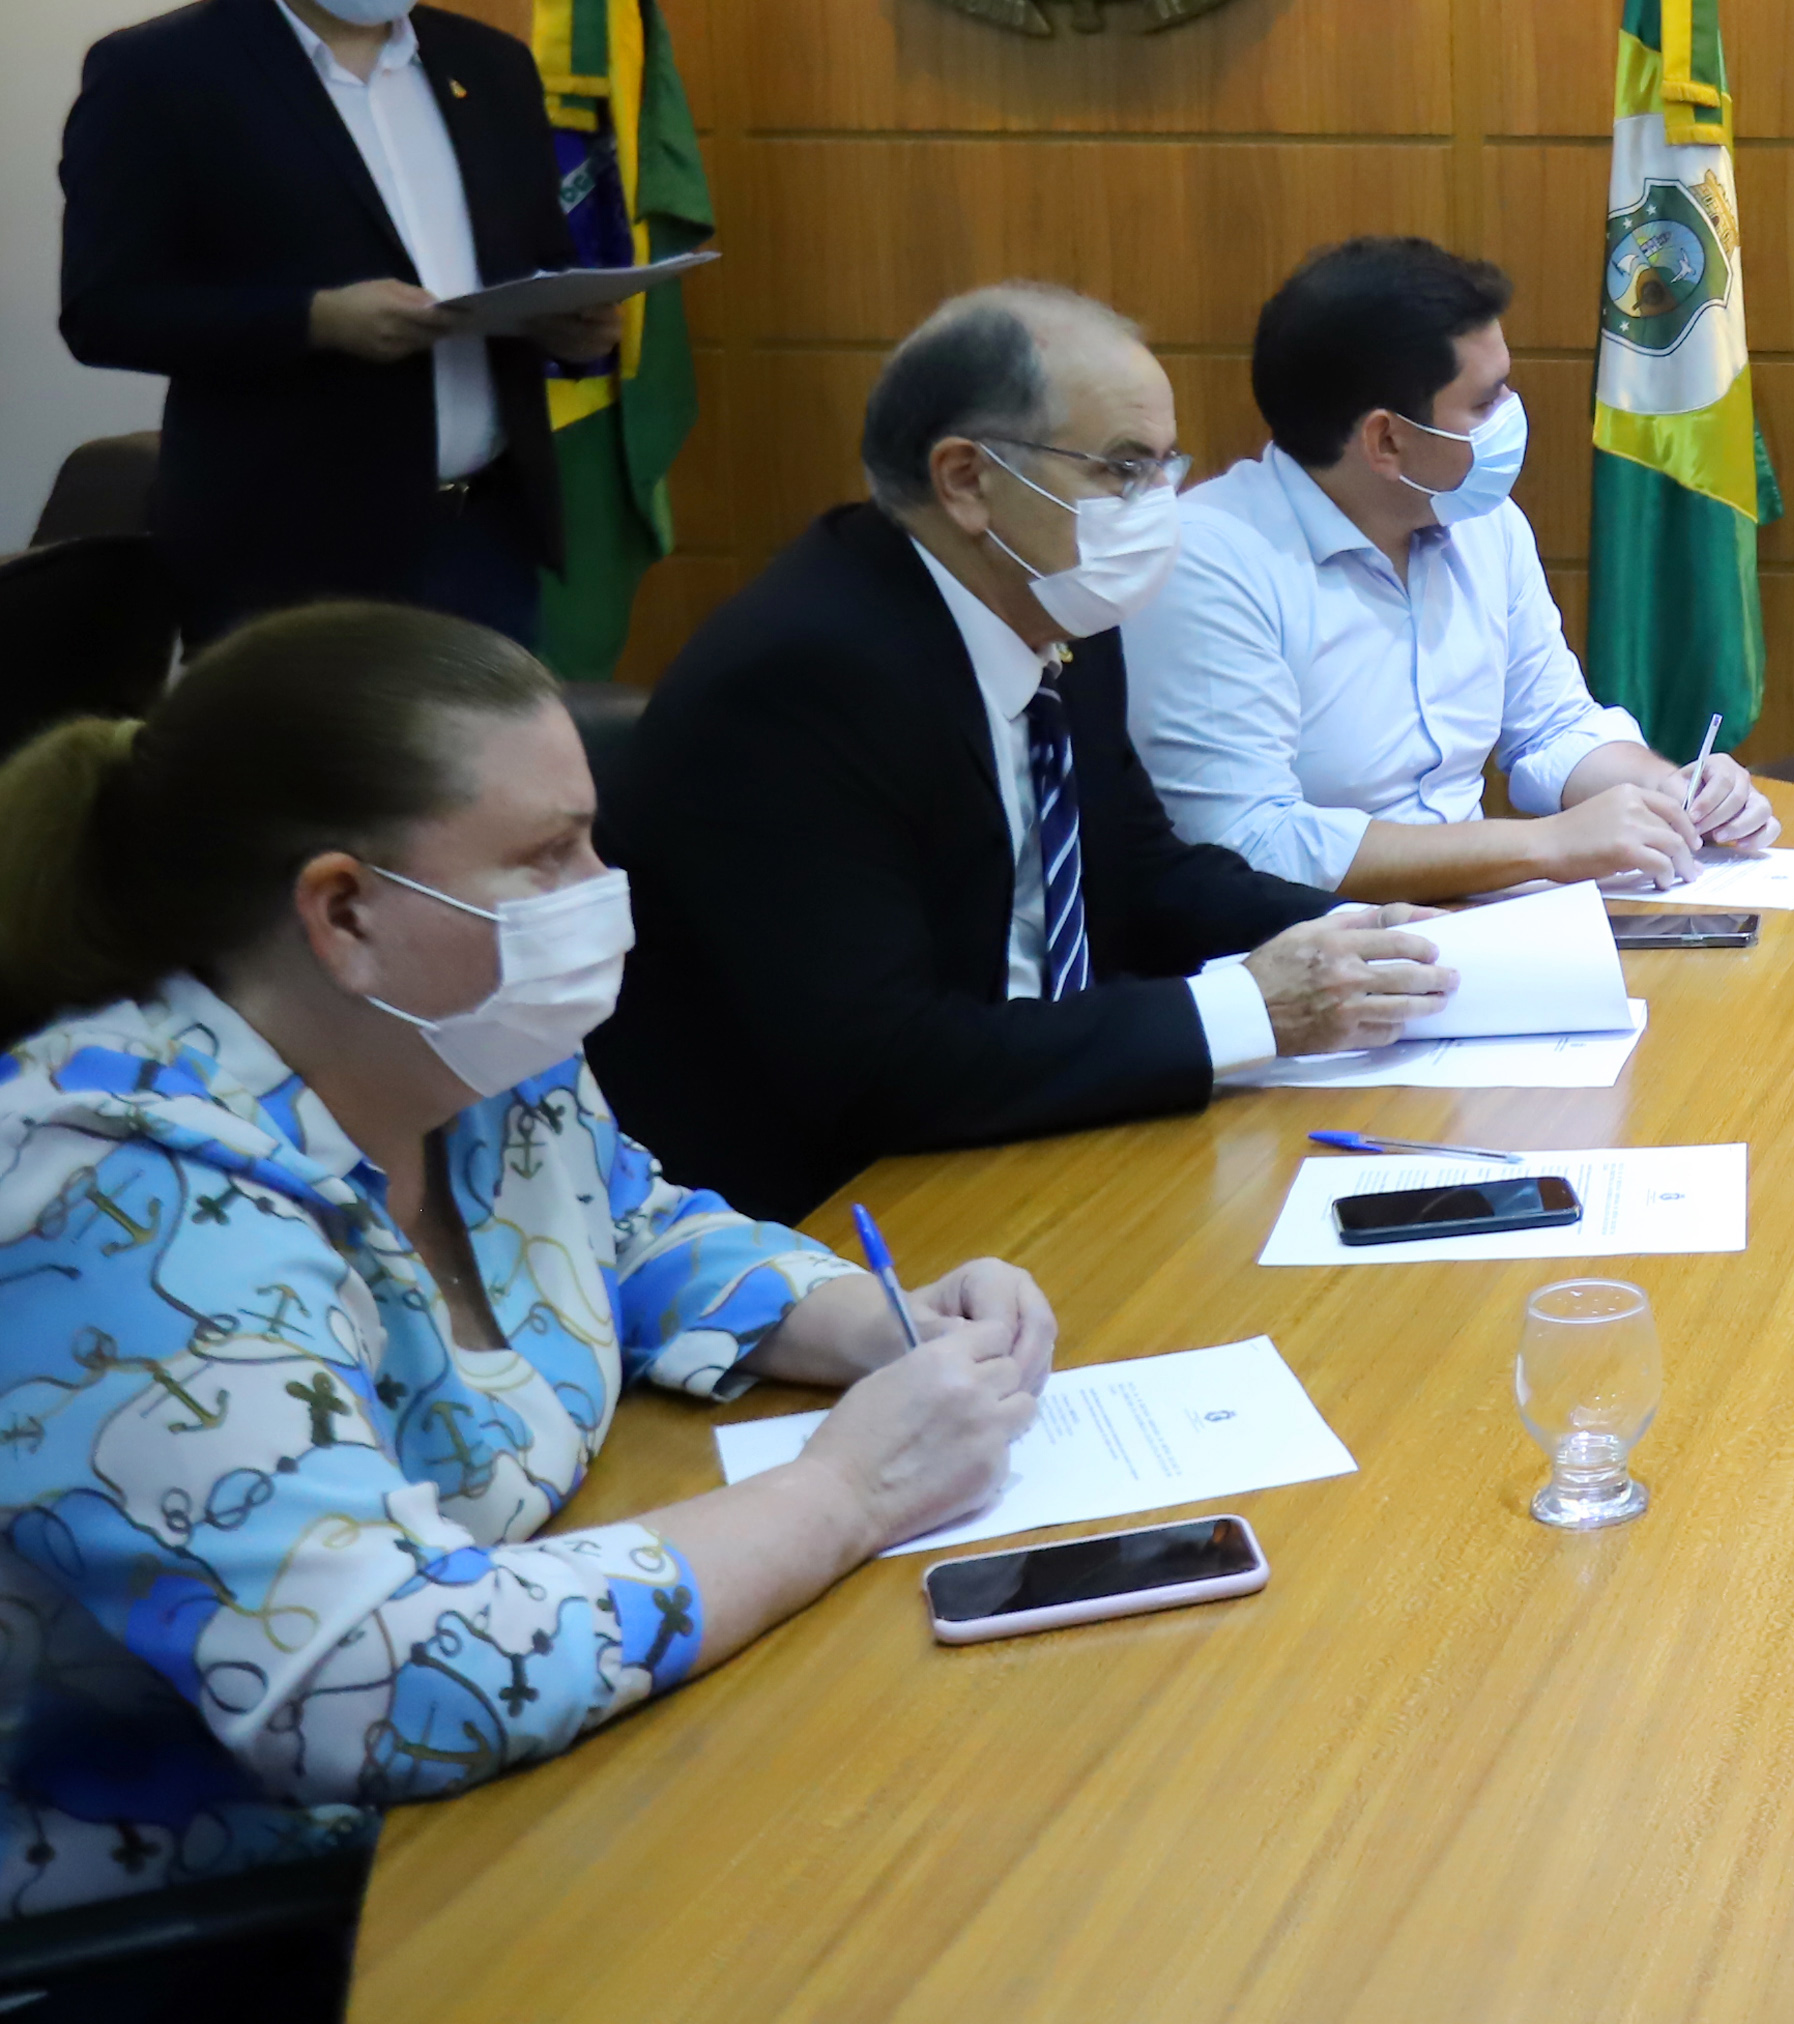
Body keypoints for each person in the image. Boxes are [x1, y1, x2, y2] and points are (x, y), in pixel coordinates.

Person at [0, 604, 1054, 1921]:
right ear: (344, 912)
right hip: (238, 1903)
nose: (603, 888)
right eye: (550, 855)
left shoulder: (471, 1048)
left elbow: (628, 1227)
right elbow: (378, 1679)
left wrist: (868, 1319)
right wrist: (847, 1490)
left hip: (529, 1790)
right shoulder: (124, 1196)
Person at [590, 284, 1452, 1223]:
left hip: (1034, 1137)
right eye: (1123, 469)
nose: (1159, 506)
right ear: (966, 480)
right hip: (830, 1206)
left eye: (1165, 466)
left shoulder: (1059, 610)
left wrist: (1374, 936)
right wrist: (1249, 1010)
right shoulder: (804, 679)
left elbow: (1145, 873)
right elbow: (879, 1064)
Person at [56, 0, 627, 648]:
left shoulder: (489, 65)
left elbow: (535, 263)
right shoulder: (162, 75)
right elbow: (105, 312)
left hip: (485, 538)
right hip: (289, 557)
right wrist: (315, 320)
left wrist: (573, 329)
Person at [1127, 237, 1777, 901]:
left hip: (1476, 919)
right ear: (1386, 440)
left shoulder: (1483, 523)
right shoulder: (1209, 562)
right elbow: (1251, 840)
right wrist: (1544, 846)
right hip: (1311, 941)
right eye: (1486, 402)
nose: (1512, 413)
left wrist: (1666, 791)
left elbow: (1553, 726)